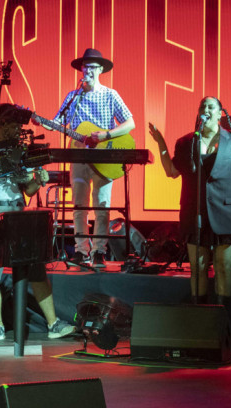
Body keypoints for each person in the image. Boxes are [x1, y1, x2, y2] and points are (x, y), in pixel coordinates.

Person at [149, 97, 231, 305]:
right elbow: (171, 171)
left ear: (220, 114)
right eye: (202, 106)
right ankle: (199, 314)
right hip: (195, 211)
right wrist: (161, 143)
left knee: (222, 265)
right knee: (197, 266)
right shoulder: (186, 142)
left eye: (211, 107)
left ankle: (220, 316)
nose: (206, 110)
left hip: (227, 212)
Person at [0, 104, 75, 341]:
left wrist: (39, 180)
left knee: (35, 267)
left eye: (20, 126)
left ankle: (53, 323)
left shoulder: (22, 151)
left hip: (17, 208)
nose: (18, 130)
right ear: (1, 124)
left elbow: (27, 190)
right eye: (14, 125)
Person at [41, 48, 135, 267]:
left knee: (101, 205)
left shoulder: (111, 94)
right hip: (79, 157)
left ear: (101, 69)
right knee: (79, 204)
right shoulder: (73, 96)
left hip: (104, 157)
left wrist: (106, 135)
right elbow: (57, 122)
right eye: (86, 66)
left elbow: (130, 123)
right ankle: (82, 251)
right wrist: (39, 120)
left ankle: (99, 251)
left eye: (93, 66)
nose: (89, 70)